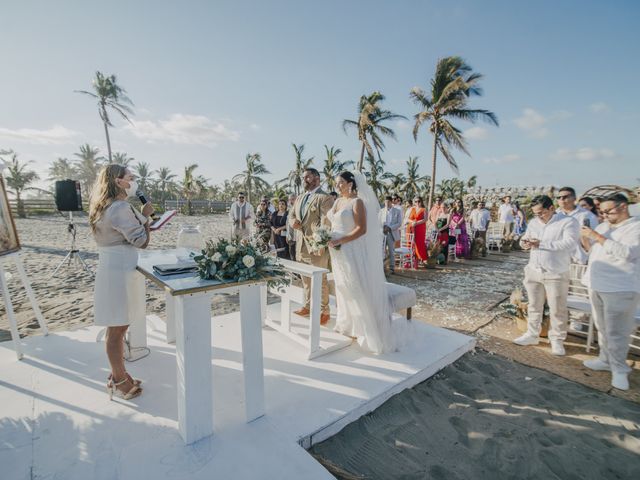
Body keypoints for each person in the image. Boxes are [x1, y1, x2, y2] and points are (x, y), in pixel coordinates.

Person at [89, 164, 152, 400]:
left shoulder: (103, 207)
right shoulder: (120, 207)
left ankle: (119, 373)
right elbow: (141, 241)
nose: (133, 181)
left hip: (112, 269)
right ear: (118, 182)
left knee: (118, 326)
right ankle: (118, 380)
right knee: (116, 330)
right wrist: (145, 218)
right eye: (130, 178)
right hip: (119, 272)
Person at [328, 171, 403, 353]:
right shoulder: (337, 201)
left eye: (341, 183)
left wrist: (340, 240)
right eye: (336, 183)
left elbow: (361, 229)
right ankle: (346, 322)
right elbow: (332, 222)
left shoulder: (357, 202)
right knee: (342, 285)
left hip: (350, 249)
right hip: (336, 251)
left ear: (351, 184)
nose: (337, 186)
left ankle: (362, 326)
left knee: (355, 285)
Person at [580, 193, 640, 391]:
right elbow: (592, 251)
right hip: (596, 283)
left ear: (623, 207)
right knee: (602, 327)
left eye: (608, 211)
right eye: (601, 211)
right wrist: (586, 238)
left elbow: (627, 253)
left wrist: (597, 236)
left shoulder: (635, 227)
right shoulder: (604, 226)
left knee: (618, 331)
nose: (604, 215)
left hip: (620, 286)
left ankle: (620, 369)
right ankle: (605, 359)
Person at [513, 195, 579, 356]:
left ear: (551, 208)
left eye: (541, 212)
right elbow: (525, 237)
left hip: (555, 271)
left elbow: (569, 243)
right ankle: (532, 334)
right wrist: (524, 243)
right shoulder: (534, 223)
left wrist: (541, 243)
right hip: (534, 269)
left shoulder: (568, 222)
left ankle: (557, 339)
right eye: (535, 213)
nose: (538, 216)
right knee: (534, 305)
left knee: (557, 308)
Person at [289, 168, 333, 325]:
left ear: (316, 178)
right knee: (305, 280)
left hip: (316, 246)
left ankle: (324, 311)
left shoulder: (325, 198)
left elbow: (326, 223)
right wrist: (292, 222)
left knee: (320, 279)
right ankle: (307, 306)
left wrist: (320, 244)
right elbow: (292, 215)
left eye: (307, 177)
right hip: (300, 245)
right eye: (303, 177)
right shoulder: (300, 197)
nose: (304, 179)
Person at [556, 186, 599, 264]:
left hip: (578, 260)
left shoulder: (586, 215)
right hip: (557, 260)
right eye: (559, 197)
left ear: (574, 198)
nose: (561, 199)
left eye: (565, 197)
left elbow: (593, 239)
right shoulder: (554, 215)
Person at [379, 195, 402, 273]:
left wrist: (389, 228)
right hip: (382, 233)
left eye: (388, 202)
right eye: (385, 202)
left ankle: (392, 268)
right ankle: (382, 266)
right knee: (381, 250)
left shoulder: (397, 211)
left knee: (391, 251)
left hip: (391, 233)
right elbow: (378, 222)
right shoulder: (381, 211)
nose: (386, 203)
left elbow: (399, 223)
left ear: (391, 202)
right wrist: (383, 227)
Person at [406, 197, 428, 266]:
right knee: (410, 243)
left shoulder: (423, 209)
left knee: (419, 243)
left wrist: (416, 223)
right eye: (416, 201)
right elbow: (408, 219)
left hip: (420, 228)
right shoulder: (412, 209)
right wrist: (412, 222)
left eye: (419, 201)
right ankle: (409, 259)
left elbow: (425, 219)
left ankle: (419, 259)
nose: (417, 203)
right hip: (411, 227)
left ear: (421, 202)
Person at [286, 194, 297, 260]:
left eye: (292, 199)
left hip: (297, 236)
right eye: (289, 199)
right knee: (292, 256)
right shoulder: (289, 209)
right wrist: (287, 235)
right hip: (290, 236)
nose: (291, 201)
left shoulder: (298, 209)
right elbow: (287, 223)